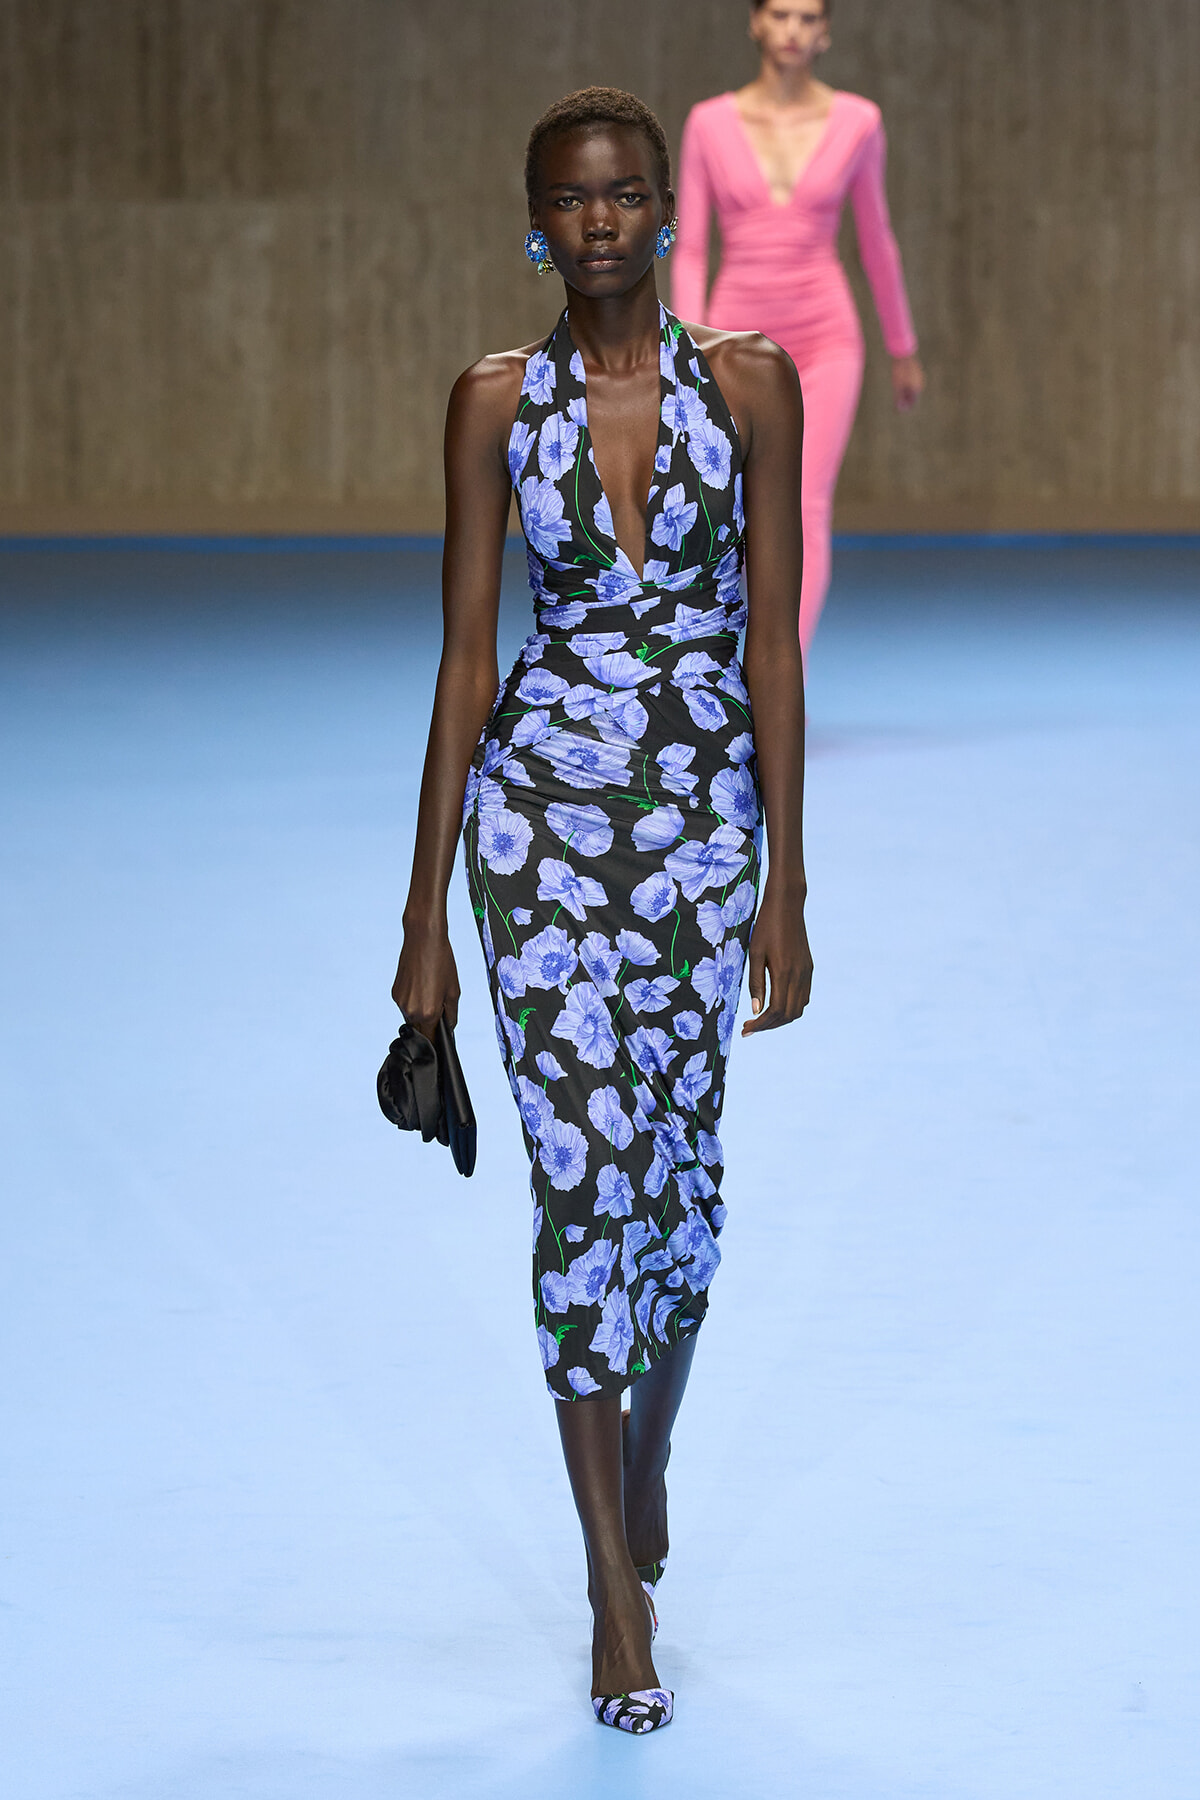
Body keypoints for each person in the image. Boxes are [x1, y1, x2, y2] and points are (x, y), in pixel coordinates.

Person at [391, 86, 812, 1734]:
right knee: (581, 1191)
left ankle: (649, 1462)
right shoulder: (495, 403)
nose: (605, 223)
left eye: (630, 195)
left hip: (705, 832)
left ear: (665, 210)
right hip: (538, 836)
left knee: (682, 1188)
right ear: (534, 221)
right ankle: (609, 1594)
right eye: (573, 202)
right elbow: (463, 658)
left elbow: (774, 642)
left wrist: (789, 873)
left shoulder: (751, 387)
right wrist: (425, 916)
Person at [673, 0, 924, 662]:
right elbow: (692, 247)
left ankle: (782, 674)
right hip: (729, 341)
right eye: (780, 14)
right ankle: (715, 665)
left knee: (806, 504)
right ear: (755, 22)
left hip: (826, 336)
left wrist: (903, 346)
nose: (792, 29)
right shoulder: (709, 123)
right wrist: (685, 340)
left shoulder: (858, 121)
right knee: (727, 512)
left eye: (808, 17)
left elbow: (877, 240)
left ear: (826, 32)